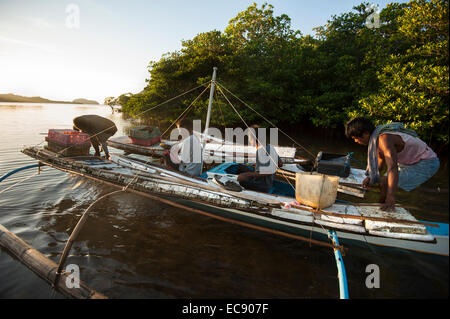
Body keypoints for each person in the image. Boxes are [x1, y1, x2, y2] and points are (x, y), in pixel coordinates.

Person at [345, 117, 439, 211]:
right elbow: (380, 161)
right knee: (384, 183)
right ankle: (381, 207)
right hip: (408, 162)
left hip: (426, 162)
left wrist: (391, 197)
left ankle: (386, 206)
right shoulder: (376, 139)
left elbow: (392, 167)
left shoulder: (384, 139)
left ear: (366, 134)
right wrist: (370, 177)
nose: (356, 141)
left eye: (356, 138)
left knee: (384, 182)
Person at [237, 125, 282, 193]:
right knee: (241, 168)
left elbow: (269, 171)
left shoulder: (261, 151)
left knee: (239, 179)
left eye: (249, 138)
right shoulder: (270, 146)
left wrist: (247, 174)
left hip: (261, 186)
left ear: (253, 138)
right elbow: (280, 163)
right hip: (268, 183)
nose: (249, 140)